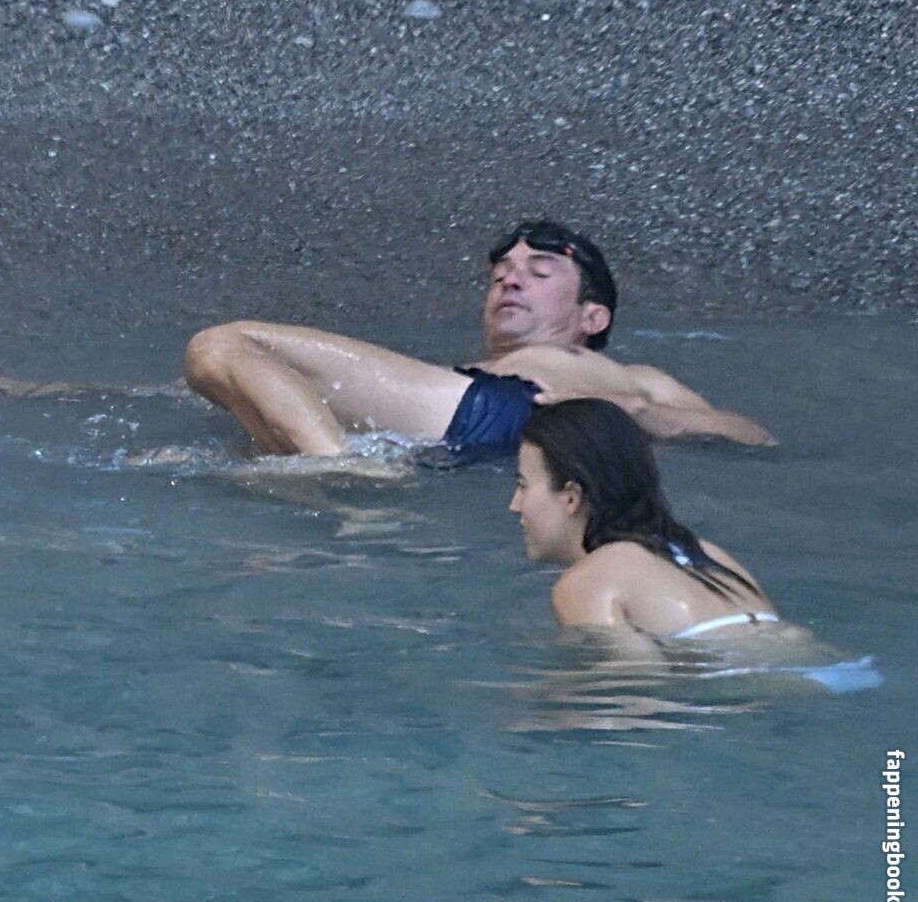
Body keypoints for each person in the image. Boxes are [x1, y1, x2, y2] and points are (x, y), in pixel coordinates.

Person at [180, 220, 773, 463]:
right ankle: (333, 466)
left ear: (593, 318)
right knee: (221, 417)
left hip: (503, 410)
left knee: (221, 346)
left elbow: (751, 434)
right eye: (500, 276)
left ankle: (344, 471)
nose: (511, 280)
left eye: (539, 273)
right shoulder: (457, 370)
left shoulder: (630, 376)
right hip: (456, 438)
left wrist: (632, 412)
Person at [511, 398, 779, 644]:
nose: (514, 505)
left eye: (523, 485)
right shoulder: (709, 556)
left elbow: (636, 677)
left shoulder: (587, 582)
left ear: (571, 497)